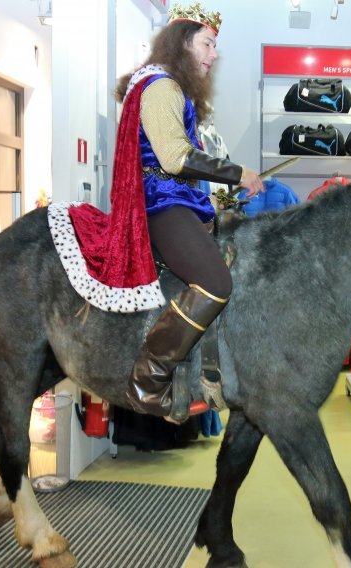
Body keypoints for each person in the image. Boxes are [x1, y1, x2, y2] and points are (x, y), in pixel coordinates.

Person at [94, 2, 263, 418]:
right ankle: (147, 378)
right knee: (216, 283)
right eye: (208, 43)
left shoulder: (165, 87)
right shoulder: (162, 86)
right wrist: (237, 173)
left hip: (175, 200)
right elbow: (172, 157)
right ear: (184, 43)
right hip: (161, 205)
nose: (214, 54)